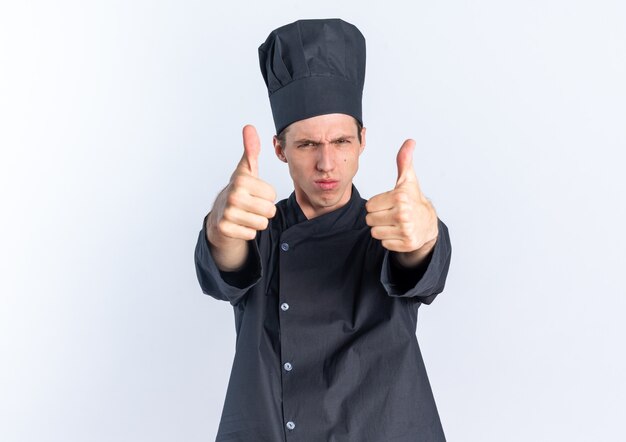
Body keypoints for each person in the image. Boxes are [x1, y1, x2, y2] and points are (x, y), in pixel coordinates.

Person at [194, 18, 452, 442]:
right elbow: (224, 267)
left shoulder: (389, 227)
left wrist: (425, 236)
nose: (327, 164)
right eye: (308, 144)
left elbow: (421, 263)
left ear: (363, 139)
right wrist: (220, 229)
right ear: (279, 148)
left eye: (342, 142)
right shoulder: (257, 229)